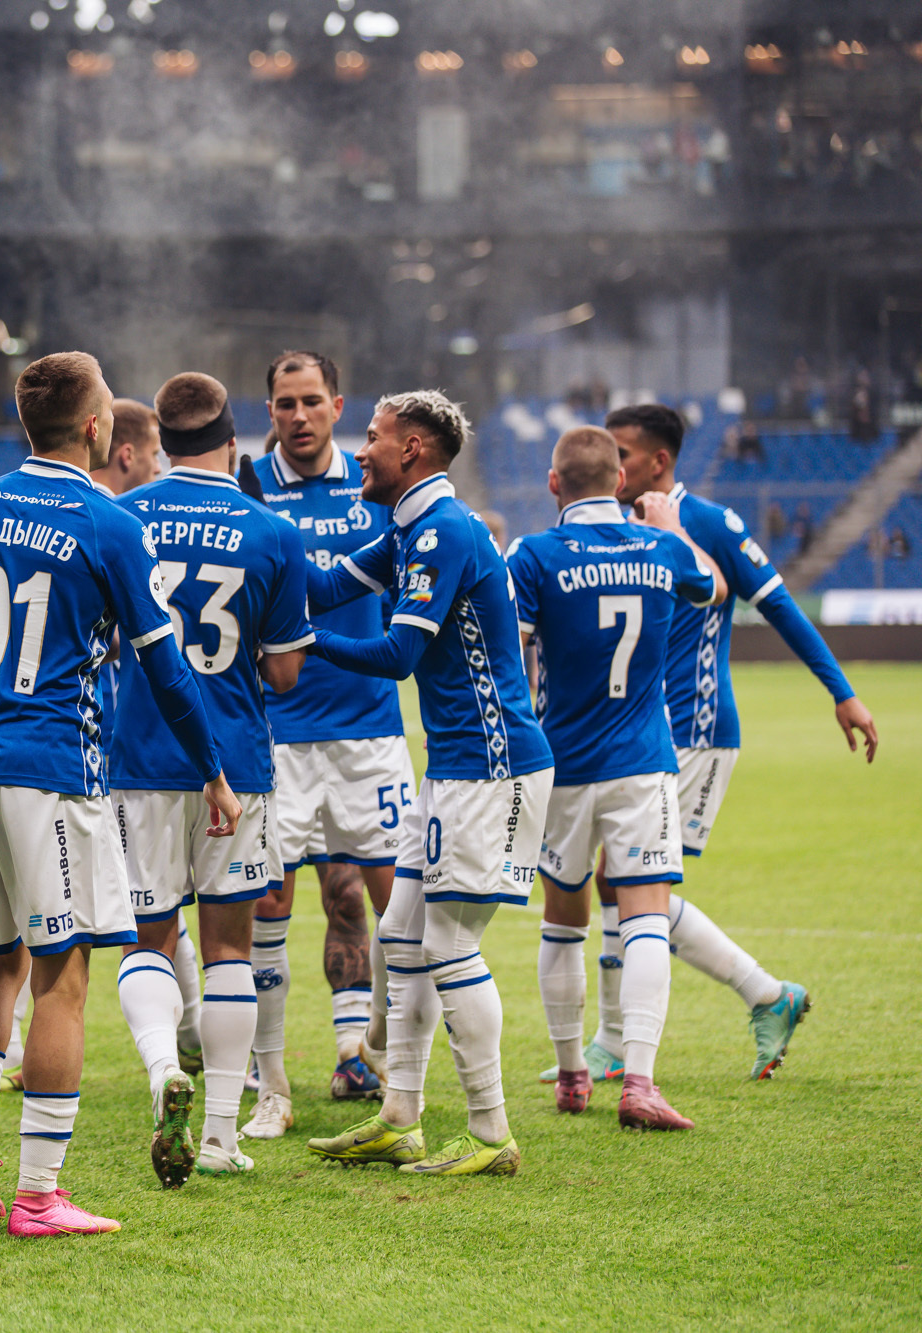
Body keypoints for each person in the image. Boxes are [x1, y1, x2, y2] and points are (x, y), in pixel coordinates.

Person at [0, 351, 238, 1236]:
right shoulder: (108, 522)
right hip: (53, 774)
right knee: (64, 979)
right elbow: (166, 667)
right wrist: (212, 768)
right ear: (98, 430)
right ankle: (40, 1195)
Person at [561, 402, 877, 1083]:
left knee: (627, 878)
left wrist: (841, 690)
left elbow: (779, 605)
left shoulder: (708, 523)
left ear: (658, 462)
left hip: (695, 728)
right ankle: (632, 1037)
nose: (614, 467)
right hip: (637, 732)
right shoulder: (612, 523)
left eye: (624, 454)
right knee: (618, 879)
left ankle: (751, 998)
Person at [300, 390, 552, 1178]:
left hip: (493, 762)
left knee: (448, 943)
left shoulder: (441, 530)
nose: (358, 450)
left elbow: (399, 653)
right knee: (402, 937)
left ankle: (490, 1131)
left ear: (411, 448)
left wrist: (305, 646)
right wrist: (255, 543)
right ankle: (399, 1116)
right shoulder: (406, 525)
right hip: (454, 764)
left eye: (370, 437)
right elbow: (321, 584)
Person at [109, 371, 311, 1183]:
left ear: (160, 443)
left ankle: (165, 1071)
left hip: (139, 760)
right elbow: (288, 673)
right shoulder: (271, 531)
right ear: (235, 443)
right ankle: (225, 1134)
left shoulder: (118, 516)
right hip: (236, 760)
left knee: (148, 936)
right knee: (231, 947)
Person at [507, 427, 726, 1131]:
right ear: (621, 480)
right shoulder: (662, 548)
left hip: (562, 763)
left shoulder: (534, 555)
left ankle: (573, 1070)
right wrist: (667, 523)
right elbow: (715, 585)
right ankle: (640, 1081)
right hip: (642, 761)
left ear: (553, 483)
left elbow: (513, 649)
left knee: (563, 917)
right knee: (643, 918)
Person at [239, 350, 411, 1142]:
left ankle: (370, 1056)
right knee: (266, 901)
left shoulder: (376, 484)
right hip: (276, 735)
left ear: (338, 405)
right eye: (284, 404)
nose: (298, 415)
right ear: (268, 409)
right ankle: (268, 1079)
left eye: (311, 401)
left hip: (369, 732)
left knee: (374, 899)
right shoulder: (245, 486)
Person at [1, 396, 188, 1090]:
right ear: (122, 449)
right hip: (87, 753)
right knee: (85, 926)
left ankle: (183, 1038)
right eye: (155, 457)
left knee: (83, 913)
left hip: (20, 750)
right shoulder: (110, 525)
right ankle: (167, 1056)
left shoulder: (7, 513)